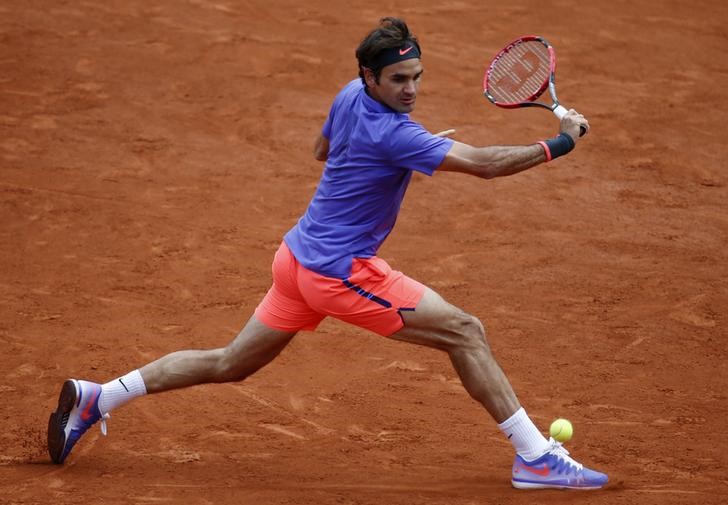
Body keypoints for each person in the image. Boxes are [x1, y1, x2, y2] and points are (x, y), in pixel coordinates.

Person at [47, 17, 608, 490]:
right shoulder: (400, 135)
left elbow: (322, 151)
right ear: (372, 75)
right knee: (465, 331)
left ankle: (100, 396)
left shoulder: (348, 94)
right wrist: (562, 141)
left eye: (416, 77)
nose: (411, 90)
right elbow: (485, 164)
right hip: (338, 273)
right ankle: (535, 457)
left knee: (230, 363)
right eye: (398, 80)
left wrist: (383, 152)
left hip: (294, 260)